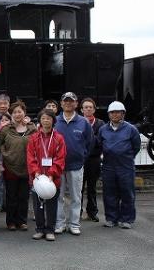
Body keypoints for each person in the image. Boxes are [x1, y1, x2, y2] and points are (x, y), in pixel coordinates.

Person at [54, 92, 93, 236]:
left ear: (76, 104)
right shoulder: (55, 121)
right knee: (58, 196)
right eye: (66, 101)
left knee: (76, 197)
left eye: (72, 101)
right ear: (61, 103)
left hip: (76, 166)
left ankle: (74, 224)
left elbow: (90, 143)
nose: (68, 103)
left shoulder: (84, 122)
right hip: (58, 166)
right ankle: (59, 224)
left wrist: (82, 157)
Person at [99, 101, 141, 229]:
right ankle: (111, 218)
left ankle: (127, 219)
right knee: (109, 193)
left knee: (127, 193)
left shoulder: (131, 129)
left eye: (118, 112)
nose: (115, 114)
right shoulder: (103, 129)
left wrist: (125, 156)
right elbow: (99, 145)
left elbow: (136, 147)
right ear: (109, 114)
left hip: (125, 166)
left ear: (123, 114)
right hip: (108, 166)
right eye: (112, 112)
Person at [26, 109, 66, 241]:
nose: (46, 120)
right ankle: (39, 229)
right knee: (37, 205)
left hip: (52, 178)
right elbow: (30, 157)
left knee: (51, 205)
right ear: (40, 120)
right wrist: (35, 171)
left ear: (53, 121)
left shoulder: (58, 138)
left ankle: (50, 229)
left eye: (48, 118)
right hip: (37, 177)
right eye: (43, 118)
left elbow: (61, 158)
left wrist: (52, 174)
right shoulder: (33, 138)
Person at [0, 100, 37, 231]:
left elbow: (37, 144)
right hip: (10, 167)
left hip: (27, 167)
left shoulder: (32, 128)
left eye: (20, 111)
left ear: (24, 112)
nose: (17, 114)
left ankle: (22, 221)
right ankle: (11, 222)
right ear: (11, 114)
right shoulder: (6, 129)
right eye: (14, 112)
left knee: (24, 196)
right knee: (11, 196)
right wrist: (6, 154)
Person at [80, 97, 105, 222]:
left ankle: (92, 212)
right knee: (79, 188)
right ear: (82, 109)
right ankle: (77, 212)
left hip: (94, 159)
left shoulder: (100, 124)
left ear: (94, 109)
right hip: (81, 159)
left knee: (92, 187)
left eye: (90, 107)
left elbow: (101, 141)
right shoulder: (78, 122)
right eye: (86, 107)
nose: (88, 109)